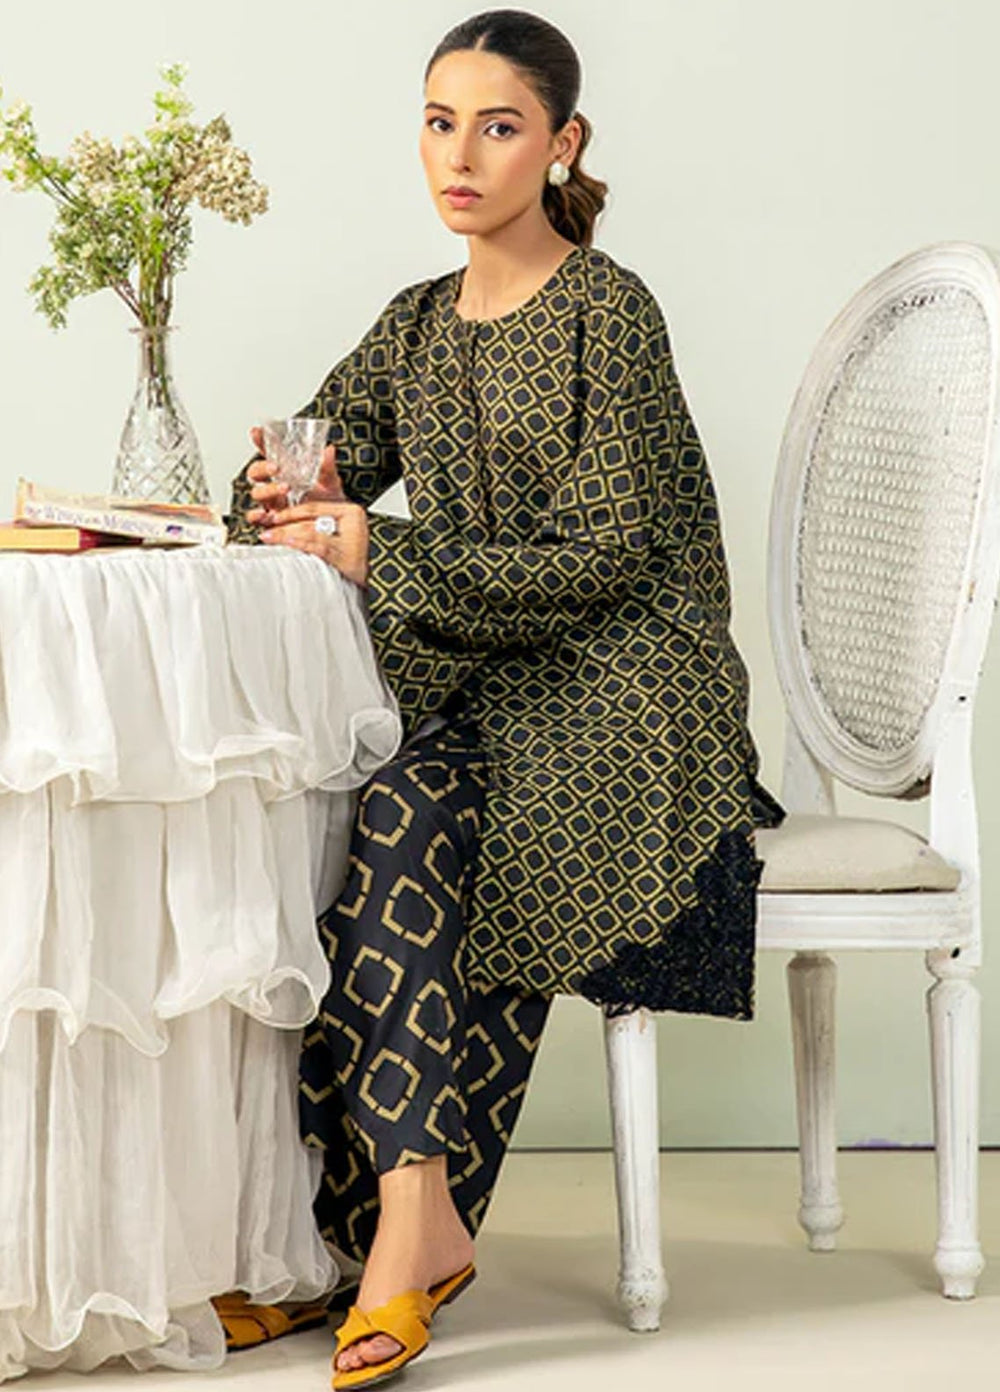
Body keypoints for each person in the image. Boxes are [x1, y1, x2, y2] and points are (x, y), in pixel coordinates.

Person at [225, 9, 784, 1387]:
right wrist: (285, 489)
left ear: (562, 143)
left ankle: (383, 1240)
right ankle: (394, 1227)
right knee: (358, 816)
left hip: (627, 689)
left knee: (412, 813)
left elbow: (609, 555)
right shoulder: (416, 325)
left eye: (499, 126)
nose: (461, 156)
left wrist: (379, 547)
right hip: (489, 684)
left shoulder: (609, 311)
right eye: (440, 122)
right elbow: (313, 465)